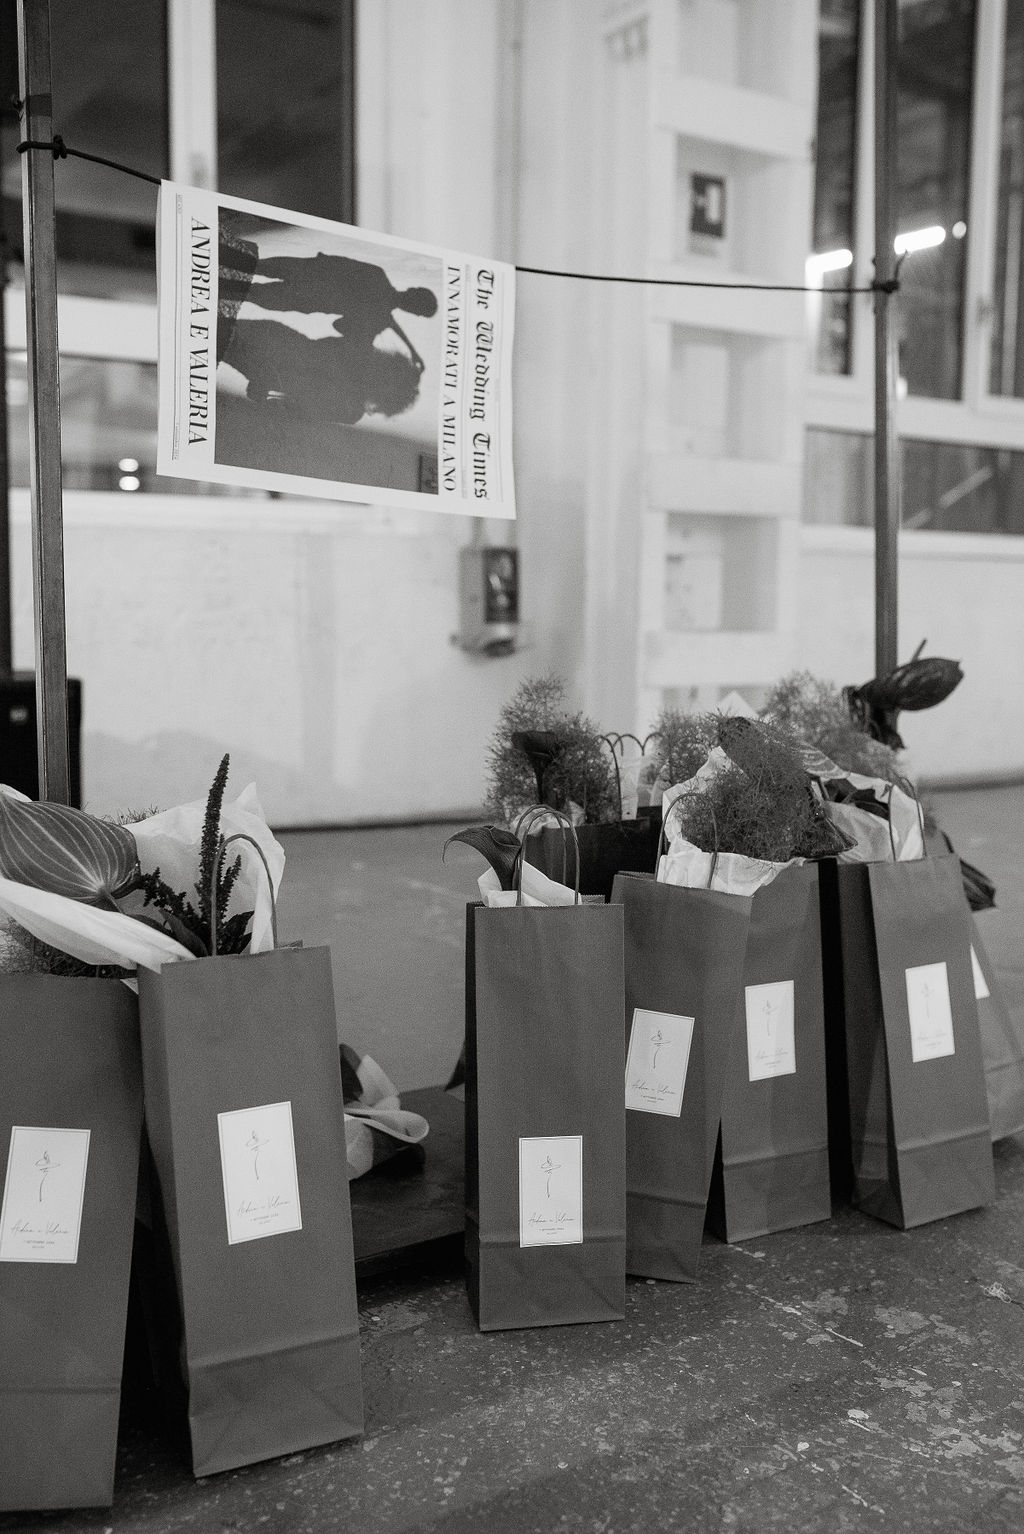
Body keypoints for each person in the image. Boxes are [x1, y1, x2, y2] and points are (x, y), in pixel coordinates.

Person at [247, 252, 437, 366]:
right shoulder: (379, 315)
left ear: (413, 290)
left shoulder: (378, 275)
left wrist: (412, 349)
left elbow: (342, 263)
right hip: (306, 299)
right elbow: (340, 325)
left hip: (309, 270)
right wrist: (411, 351)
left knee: (253, 266)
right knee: (245, 291)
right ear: (413, 311)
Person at [222, 319, 423, 424]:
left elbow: (339, 325)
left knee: (215, 326)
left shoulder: (361, 351)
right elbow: (296, 407)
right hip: (266, 369)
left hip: (276, 339)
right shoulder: (352, 410)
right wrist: (265, 393)